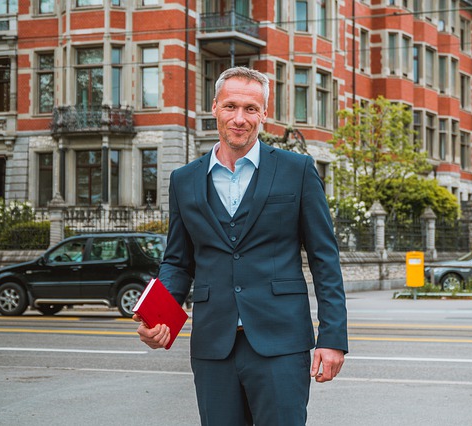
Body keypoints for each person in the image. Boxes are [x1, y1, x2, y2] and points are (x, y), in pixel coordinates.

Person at [134, 66, 348, 426]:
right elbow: (177, 262)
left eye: (251, 109)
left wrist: (333, 338)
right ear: (215, 107)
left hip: (282, 343)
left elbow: (325, 258)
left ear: (264, 114)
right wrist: (160, 318)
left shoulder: (298, 169)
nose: (240, 118)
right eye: (231, 106)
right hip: (213, 346)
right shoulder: (184, 180)